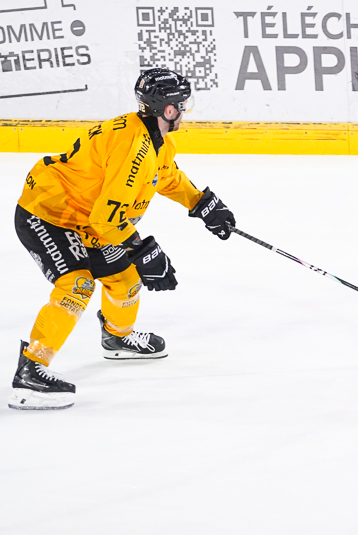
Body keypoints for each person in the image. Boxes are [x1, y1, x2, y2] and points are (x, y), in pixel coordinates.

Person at [10, 67, 236, 411]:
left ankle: (117, 336)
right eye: (183, 104)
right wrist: (144, 250)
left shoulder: (155, 136)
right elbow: (107, 218)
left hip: (87, 218)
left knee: (125, 280)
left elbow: (166, 176)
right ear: (168, 110)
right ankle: (31, 369)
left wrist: (202, 203)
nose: (186, 110)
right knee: (78, 285)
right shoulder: (135, 147)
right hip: (49, 212)